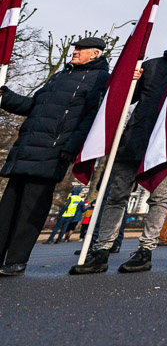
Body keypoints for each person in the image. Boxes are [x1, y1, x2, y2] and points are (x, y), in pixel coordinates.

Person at [72, 27, 167, 274]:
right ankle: (102, 249)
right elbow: (127, 99)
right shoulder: (151, 66)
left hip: (165, 143)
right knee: (117, 195)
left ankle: (145, 251)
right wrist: (129, 80)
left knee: (159, 197)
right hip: (134, 138)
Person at [0, 36, 108, 277]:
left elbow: (91, 116)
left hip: (52, 151)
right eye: (75, 48)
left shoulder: (99, 79)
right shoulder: (60, 75)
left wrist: (71, 146)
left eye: (81, 49)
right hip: (26, 148)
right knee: (6, 209)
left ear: (95, 54)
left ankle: (16, 261)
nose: (75, 52)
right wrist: (4, 96)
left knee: (31, 210)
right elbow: (33, 106)